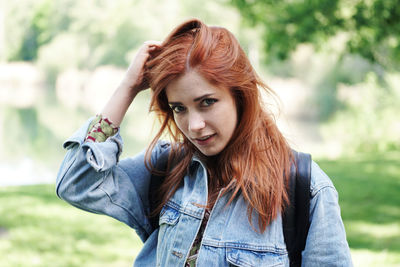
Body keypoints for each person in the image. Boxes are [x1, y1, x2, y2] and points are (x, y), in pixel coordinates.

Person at [56, 19, 353, 266]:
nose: (194, 125)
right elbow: (76, 184)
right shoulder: (166, 169)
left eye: (207, 102)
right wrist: (128, 87)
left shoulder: (304, 186)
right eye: (179, 108)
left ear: (240, 96)